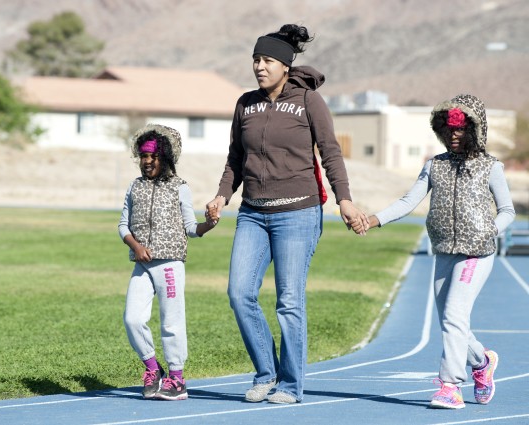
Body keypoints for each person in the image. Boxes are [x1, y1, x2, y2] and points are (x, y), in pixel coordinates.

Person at [205, 24, 369, 404]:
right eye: (255, 60)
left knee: (289, 301)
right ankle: (266, 373)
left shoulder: (309, 101)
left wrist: (344, 199)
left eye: (266, 61)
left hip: (298, 213)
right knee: (239, 293)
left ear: (285, 65)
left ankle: (291, 385)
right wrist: (221, 196)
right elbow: (235, 157)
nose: (259, 67)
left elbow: (330, 152)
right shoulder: (245, 103)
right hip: (252, 214)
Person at [352, 94, 516, 409]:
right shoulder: (434, 166)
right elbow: (407, 201)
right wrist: (373, 220)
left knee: (454, 313)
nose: (453, 136)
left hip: (477, 252)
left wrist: (491, 229)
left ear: (475, 130)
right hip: (444, 251)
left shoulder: (490, 167)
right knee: (451, 320)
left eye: (460, 130)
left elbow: (507, 210)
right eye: (448, 130)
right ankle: (481, 363)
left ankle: (449, 386)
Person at [119, 123, 218, 401]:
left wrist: (208, 224)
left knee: (171, 322)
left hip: (170, 265)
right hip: (143, 265)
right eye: (143, 156)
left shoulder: (179, 188)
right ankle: (153, 368)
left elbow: (191, 227)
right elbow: (122, 225)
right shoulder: (134, 187)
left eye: (153, 156)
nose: (147, 162)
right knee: (132, 319)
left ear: (165, 158)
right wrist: (135, 246)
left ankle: (177, 379)